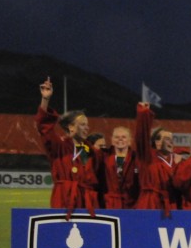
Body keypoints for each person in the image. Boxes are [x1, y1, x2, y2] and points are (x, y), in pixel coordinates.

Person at [34, 77, 101, 217]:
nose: (87, 128)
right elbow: (44, 128)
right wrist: (45, 100)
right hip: (63, 199)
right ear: (71, 128)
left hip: (85, 201)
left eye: (87, 124)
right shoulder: (59, 145)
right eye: (82, 124)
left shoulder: (87, 150)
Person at [135, 102, 181, 215]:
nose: (169, 141)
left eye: (171, 139)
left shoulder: (178, 160)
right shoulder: (148, 156)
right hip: (149, 204)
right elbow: (141, 138)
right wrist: (143, 114)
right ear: (156, 142)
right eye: (165, 138)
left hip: (171, 205)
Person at [98, 126, 139, 209]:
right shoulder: (103, 157)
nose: (120, 139)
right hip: (109, 204)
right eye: (117, 137)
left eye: (124, 137)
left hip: (131, 204)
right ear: (112, 140)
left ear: (130, 141)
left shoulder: (136, 159)